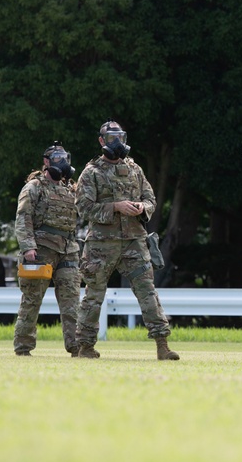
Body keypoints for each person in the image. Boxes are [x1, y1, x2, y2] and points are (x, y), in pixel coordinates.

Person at [74, 121, 179, 360]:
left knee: (147, 292)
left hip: (134, 241)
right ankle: (85, 347)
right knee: (94, 294)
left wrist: (143, 207)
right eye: (111, 138)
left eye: (120, 136)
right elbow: (83, 208)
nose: (117, 142)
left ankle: (162, 346)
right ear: (102, 141)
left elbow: (150, 199)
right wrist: (116, 207)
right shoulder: (91, 172)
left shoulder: (135, 169)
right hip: (102, 244)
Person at [13, 142, 81, 357]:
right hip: (41, 250)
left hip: (68, 249)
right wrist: (28, 248)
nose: (62, 162)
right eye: (57, 158)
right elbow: (23, 219)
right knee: (32, 299)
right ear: (46, 161)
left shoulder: (70, 188)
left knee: (71, 300)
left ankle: (76, 346)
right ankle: (23, 346)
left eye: (64, 158)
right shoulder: (34, 186)